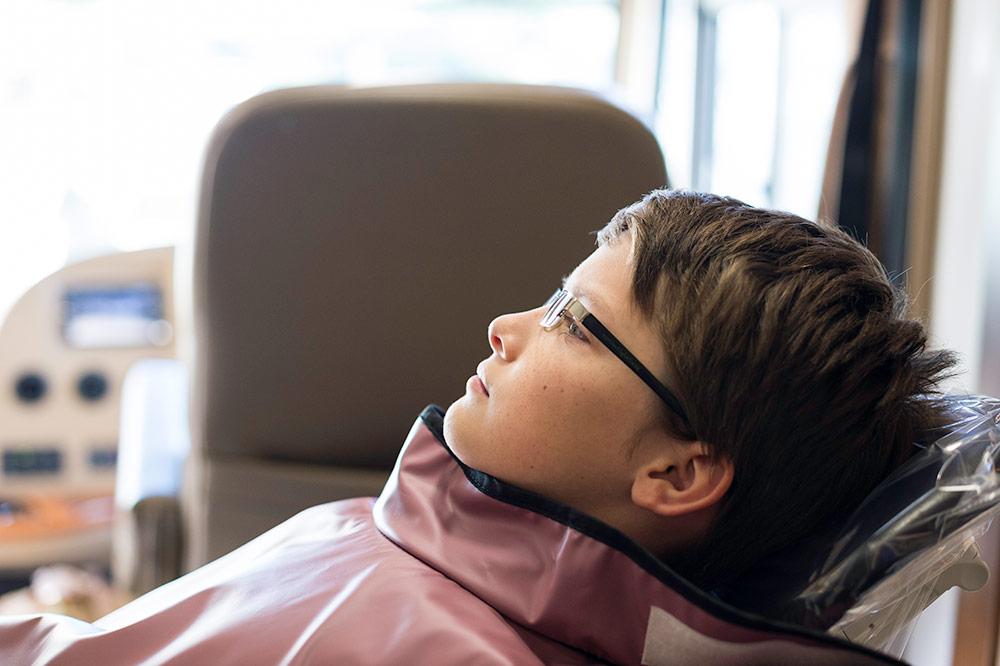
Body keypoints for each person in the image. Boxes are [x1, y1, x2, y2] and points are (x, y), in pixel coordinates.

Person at [0, 190, 952, 665]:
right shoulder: (412, 552)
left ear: (676, 472)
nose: (506, 327)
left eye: (575, 323)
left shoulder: (444, 643)